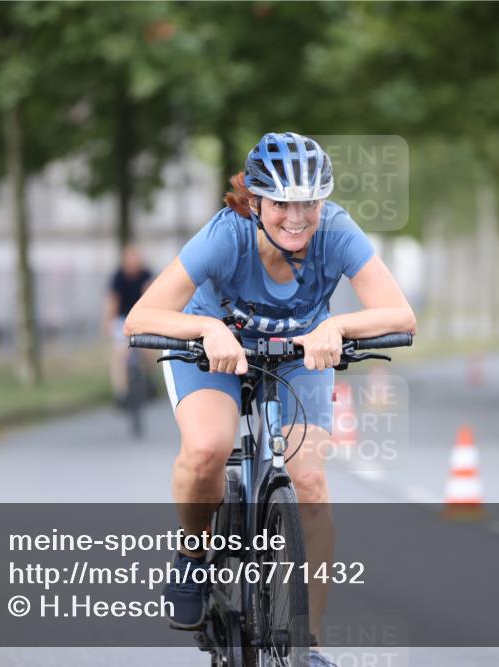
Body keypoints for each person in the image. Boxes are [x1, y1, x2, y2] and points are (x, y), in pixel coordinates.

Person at [124, 132, 416, 664]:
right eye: (282, 202)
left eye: (309, 200)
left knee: (308, 480)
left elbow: (400, 314)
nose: (297, 217)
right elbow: (141, 317)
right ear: (255, 201)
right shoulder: (225, 235)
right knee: (208, 449)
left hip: (297, 356)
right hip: (213, 354)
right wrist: (206, 330)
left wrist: (339, 325)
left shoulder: (337, 231)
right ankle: (194, 553)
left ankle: (310, 644)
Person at [104, 244, 154, 405]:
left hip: (141, 317)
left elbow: (150, 296)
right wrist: (108, 322)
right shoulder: (118, 277)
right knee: (120, 356)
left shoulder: (145, 274)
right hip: (122, 320)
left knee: (149, 349)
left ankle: (149, 380)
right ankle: (122, 392)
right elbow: (113, 301)